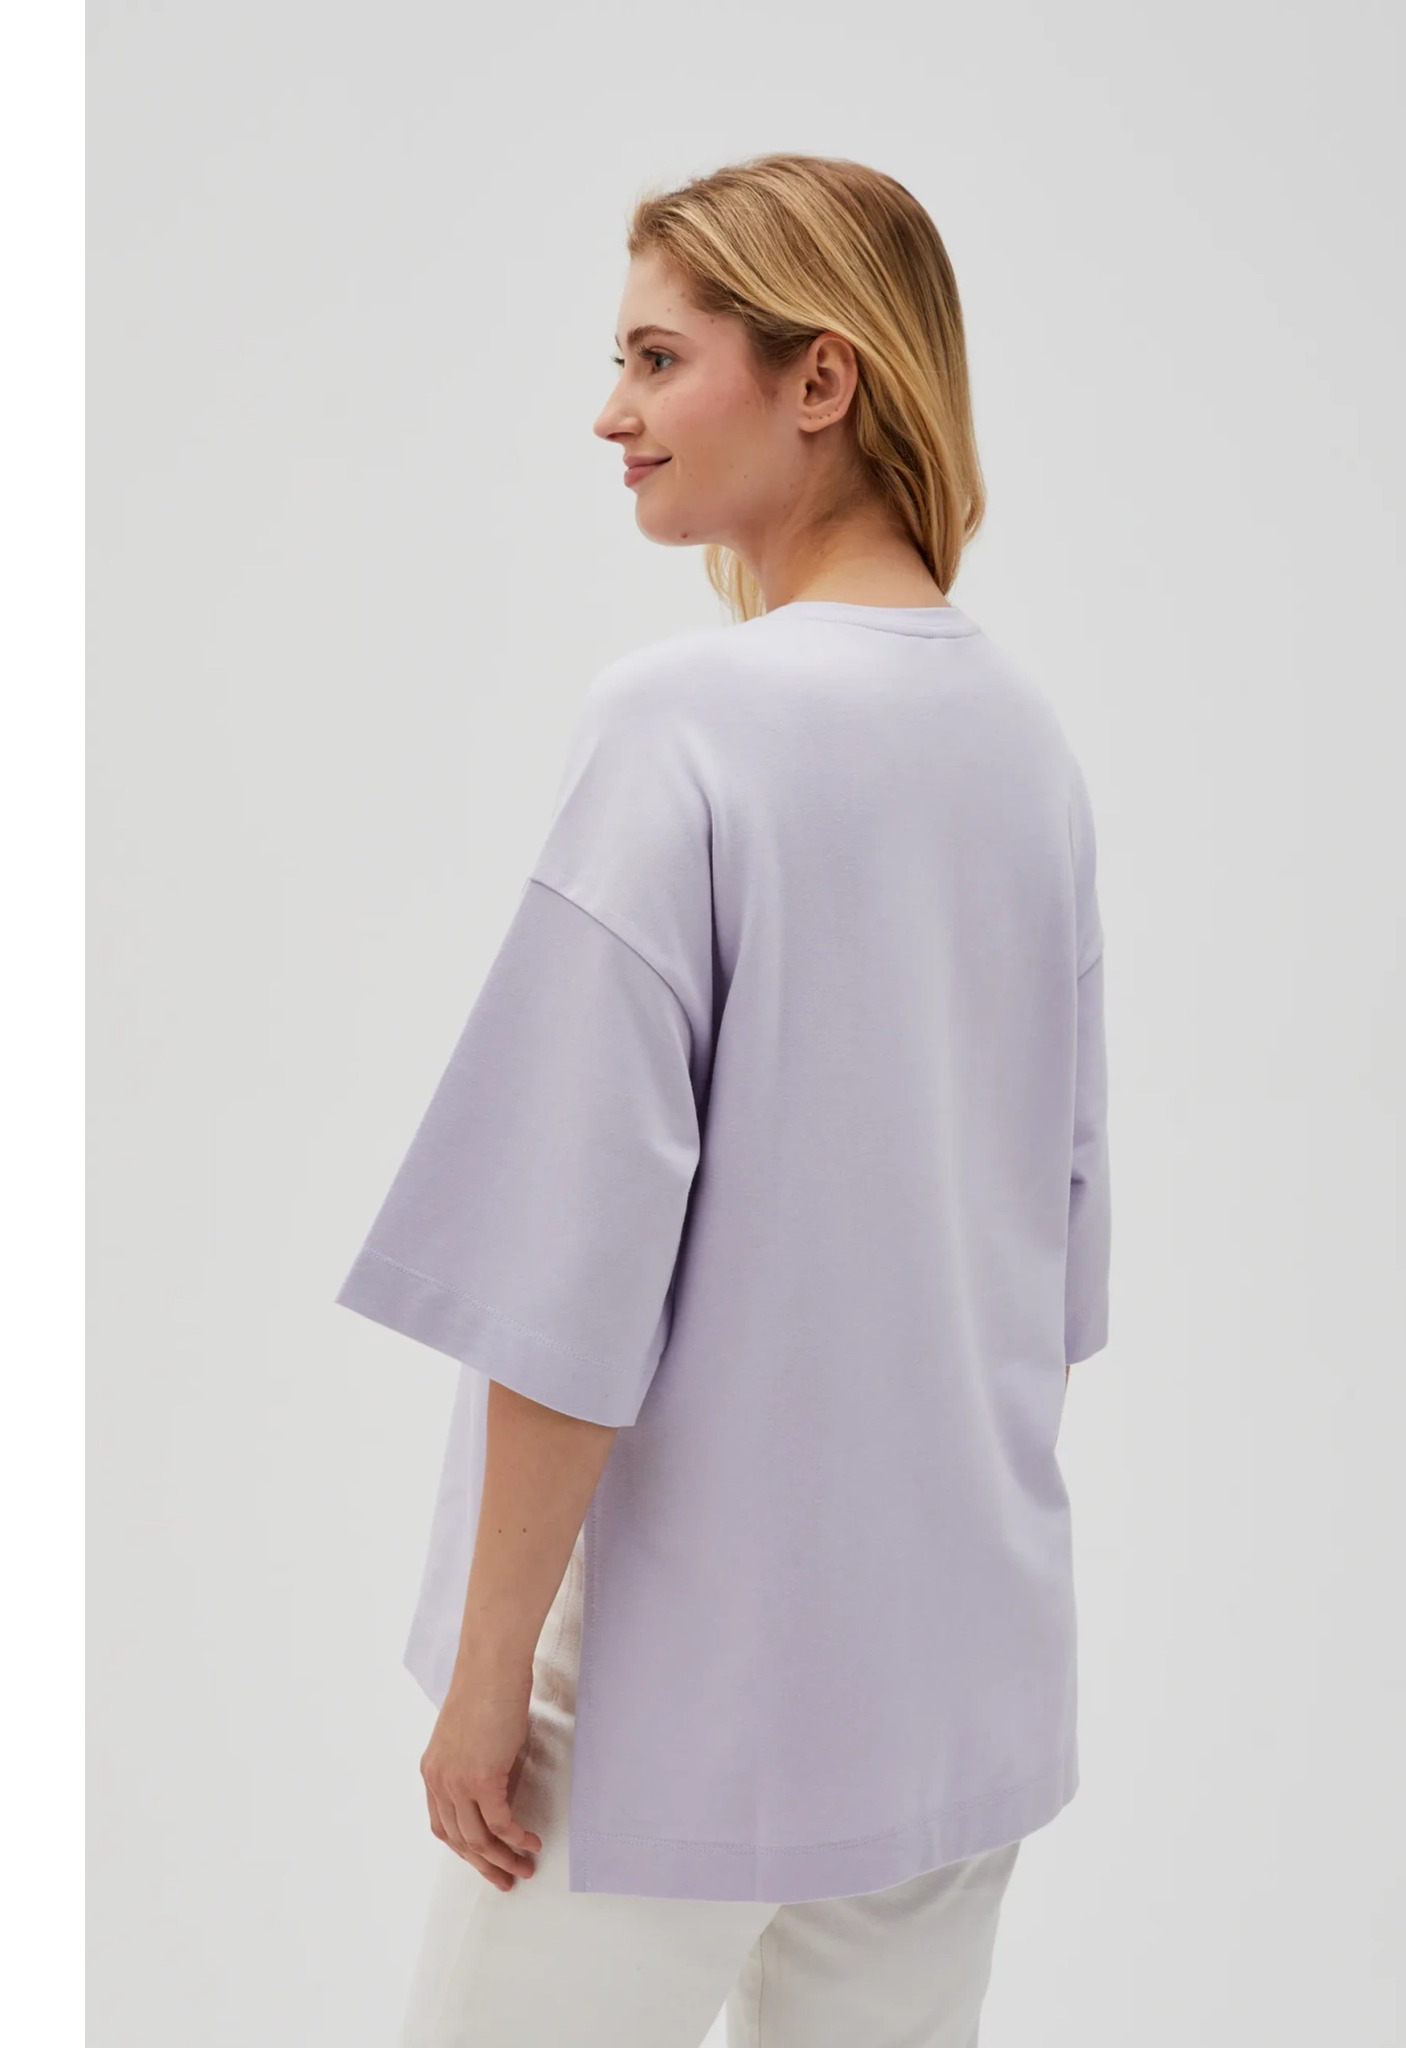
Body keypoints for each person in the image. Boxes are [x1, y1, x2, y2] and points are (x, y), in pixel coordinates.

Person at [335, 151, 1111, 2047]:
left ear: (820, 376)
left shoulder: (684, 725)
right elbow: (1050, 1270)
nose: (610, 412)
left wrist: (493, 1681)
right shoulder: (1025, 745)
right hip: (958, 1689)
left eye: (657, 358)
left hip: (673, 1698)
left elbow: (565, 1272)